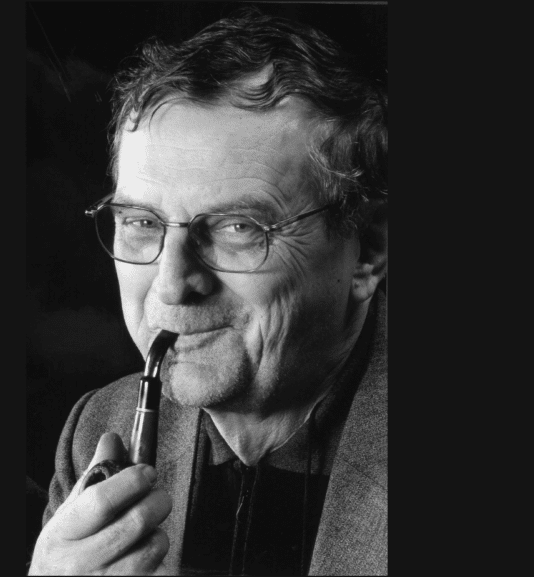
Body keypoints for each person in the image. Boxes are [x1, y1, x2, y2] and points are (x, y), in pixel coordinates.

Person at [28, 8, 387, 576]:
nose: (171, 286)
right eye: (141, 222)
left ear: (367, 250)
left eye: (238, 227)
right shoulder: (97, 426)